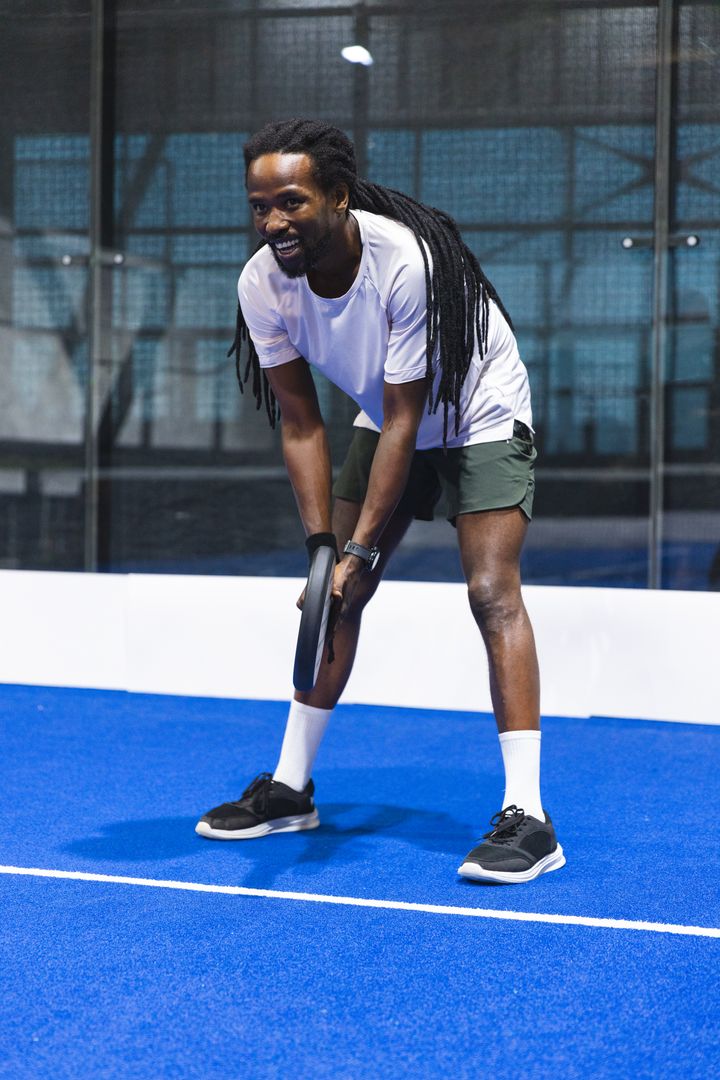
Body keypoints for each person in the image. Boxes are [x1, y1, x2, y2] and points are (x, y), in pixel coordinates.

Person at [195, 118, 565, 884]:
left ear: (336, 195)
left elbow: (408, 418)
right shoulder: (261, 283)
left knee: (492, 592)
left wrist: (362, 549)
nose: (272, 223)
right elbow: (300, 423)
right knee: (327, 600)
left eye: (290, 202)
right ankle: (291, 788)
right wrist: (325, 551)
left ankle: (529, 816)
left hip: (478, 412)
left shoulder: (405, 261)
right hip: (389, 417)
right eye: (259, 206)